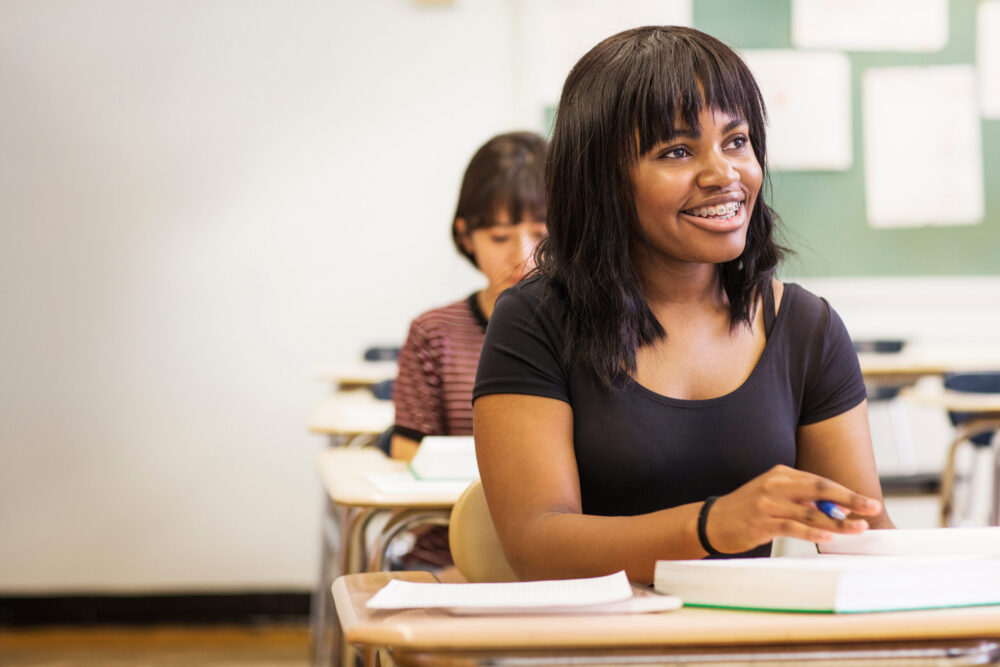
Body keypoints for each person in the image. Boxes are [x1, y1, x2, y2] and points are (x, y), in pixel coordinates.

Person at [472, 26, 893, 585]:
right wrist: (712, 526)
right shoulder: (536, 320)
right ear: (604, 182)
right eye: (676, 151)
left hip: (745, 642)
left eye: (736, 141)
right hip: (591, 647)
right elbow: (537, 545)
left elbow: (862, 536)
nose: (724, 175)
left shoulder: (805, 327)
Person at [391, 131, 547, 461]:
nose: (524, 255)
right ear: (465, 237)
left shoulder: (593, 325)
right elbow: (408, 452)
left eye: (542, 233)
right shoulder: (434, 333)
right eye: (500, 236)